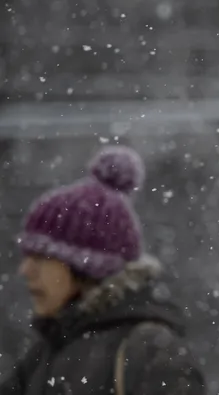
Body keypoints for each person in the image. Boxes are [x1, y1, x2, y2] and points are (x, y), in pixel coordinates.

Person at [0, 146, 205, 395]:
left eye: (41, 257)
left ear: (85, 266)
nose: (26, 270)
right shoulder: (42, 356)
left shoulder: (147, 353)